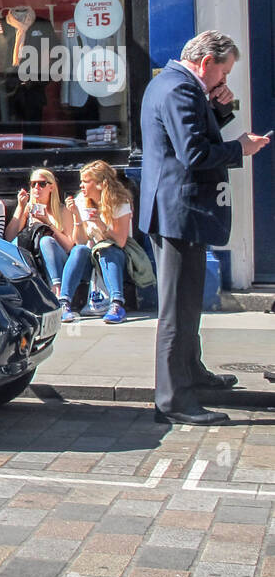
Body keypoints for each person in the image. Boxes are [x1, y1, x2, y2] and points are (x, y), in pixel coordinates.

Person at [140, 31, 270, 425]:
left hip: (177, 209)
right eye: (223, 73)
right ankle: (174, 400)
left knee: (188, 302)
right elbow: (193, 152)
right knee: (177, 309)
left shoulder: (170, 83)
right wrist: (241, 147)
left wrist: (220, 112)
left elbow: (189, 135)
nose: (223, 81)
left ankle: (192, 372)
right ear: (206, 61)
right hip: (178, 210)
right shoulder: (180, 89)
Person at [58, 160, 133, 325]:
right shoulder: (81, 200)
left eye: (86, 181)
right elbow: (80, 241)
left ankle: (117, 304)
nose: (81, 185)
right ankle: (64, 303)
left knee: (106, 249)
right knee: (79, 250)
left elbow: (120, 242)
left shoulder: (120, 203)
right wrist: (76, 215)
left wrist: (100, 224)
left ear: (100, 184)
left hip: (115, 259)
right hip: (91, 260)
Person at [4, 167, 76, 294]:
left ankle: (57, 290)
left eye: (42, 184)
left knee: (46, 241)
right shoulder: (28, 209)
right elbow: (9, 239)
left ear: (51, 187)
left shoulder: (62, 210)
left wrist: (47, 223)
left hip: (59, 259)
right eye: (33, 184)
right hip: (35, 260)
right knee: (17, 242)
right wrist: (21, 208)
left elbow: (69, 246)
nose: (36, 187)